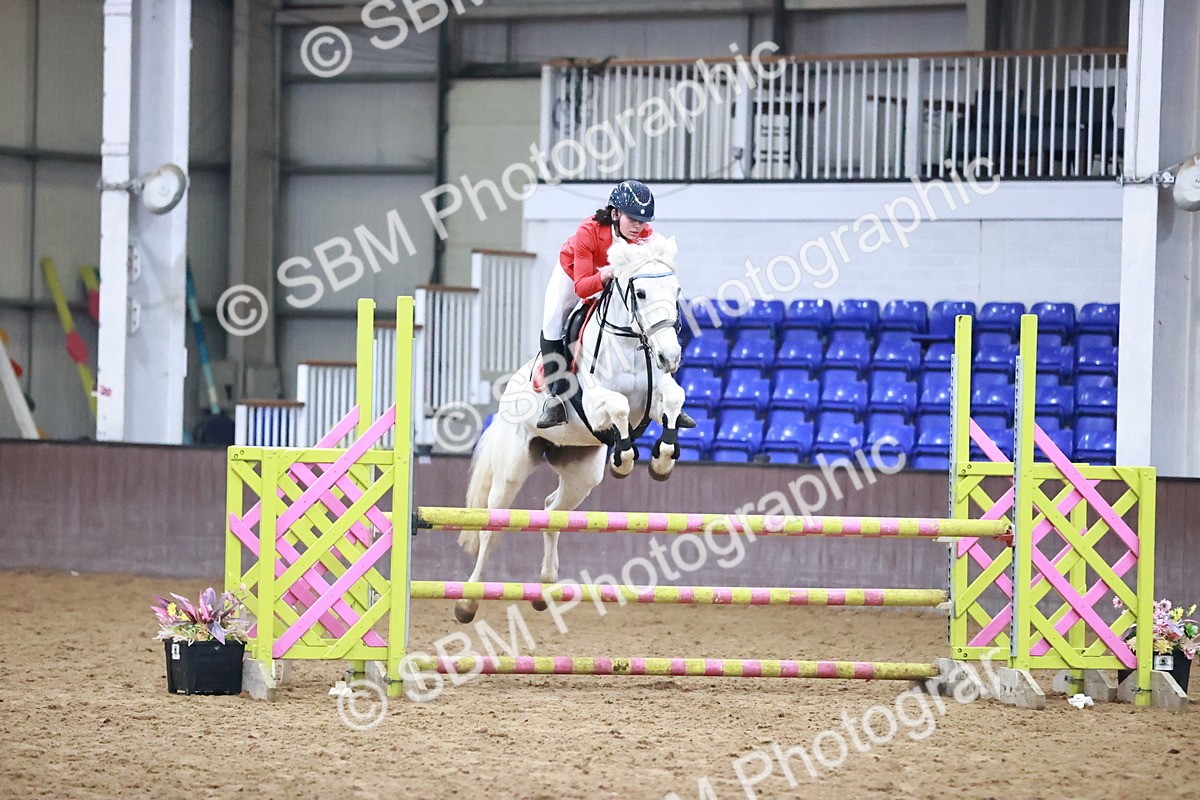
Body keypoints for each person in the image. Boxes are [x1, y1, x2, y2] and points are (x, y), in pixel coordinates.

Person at [536, 180, 694, 430]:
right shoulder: (587, 232)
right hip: (575, 274)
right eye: (632, 220)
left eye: (642, 221)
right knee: (553, 323)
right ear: (615, 214)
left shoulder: (645, 236)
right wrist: (605, 274)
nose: (638, 226)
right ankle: (555, 397)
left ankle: (665, 397)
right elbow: (583, 288)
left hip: (613, 278)